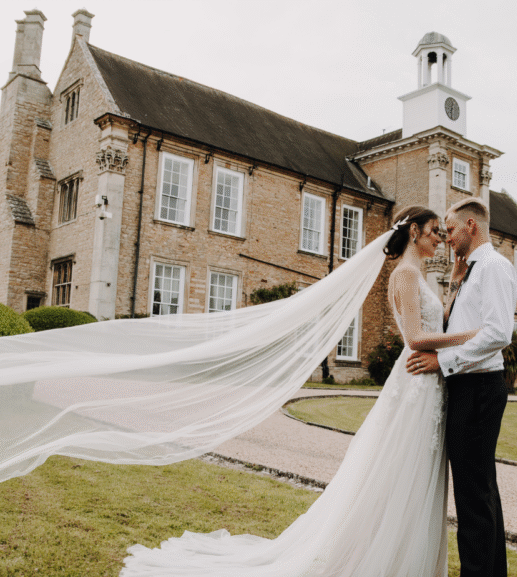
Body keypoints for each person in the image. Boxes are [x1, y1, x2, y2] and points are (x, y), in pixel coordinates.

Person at [119, 206, 476, 576]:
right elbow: (417, 337)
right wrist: (475, 335)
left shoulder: (416, 275)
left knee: (412, 477)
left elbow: (434, 324)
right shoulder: (404, 274)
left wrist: (453, 281)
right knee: (400, 475)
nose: (441, 238)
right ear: (415, 231)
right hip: (416, 386)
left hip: (426, 386)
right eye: (435, 230)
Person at [407, 198, 517, 577]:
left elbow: (499, 333)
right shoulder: (470, 271)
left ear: (471, 225)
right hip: (468, 388)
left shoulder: (494, 268)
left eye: (450, 229)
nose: (446, 237)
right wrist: (454, 283)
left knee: (473, 496)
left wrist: (443, 362)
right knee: (479, 490)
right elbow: (458, 324)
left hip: (479, 388)